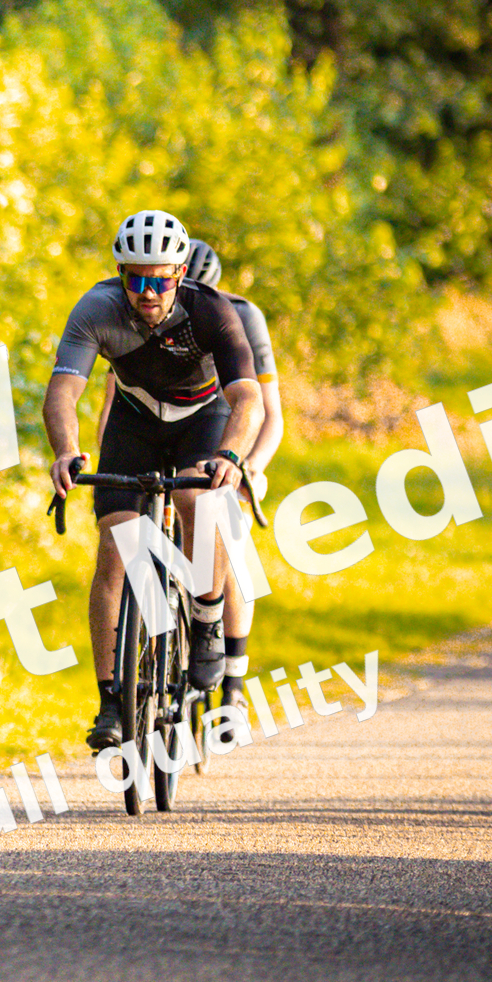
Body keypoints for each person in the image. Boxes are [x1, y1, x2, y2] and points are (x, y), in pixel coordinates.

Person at [42, 208, 263, 750]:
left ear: (180, 273)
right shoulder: (96, 308)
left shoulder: (210, 310)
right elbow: (63, 391)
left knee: (198, 502)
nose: (147, 292)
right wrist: (68, 451)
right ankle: (112, 701)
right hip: (135, 422)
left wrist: (231, 456)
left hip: (202, 419)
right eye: (135, 279)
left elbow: (248, 398)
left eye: (160, 280)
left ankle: (207, 619)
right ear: (121, 275)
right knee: (116, 548)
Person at [177, 241, 282, 707]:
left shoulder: (240, 316)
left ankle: (233, 686)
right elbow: (111, 406)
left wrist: (250, 467)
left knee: (229, 534)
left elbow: (270, 412)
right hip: (171, 430)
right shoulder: (146, 316)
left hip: (229, 428)